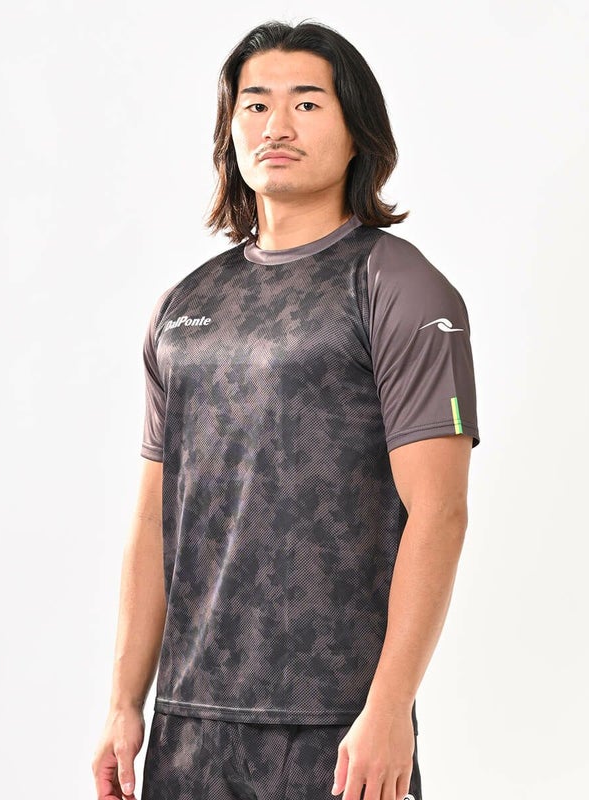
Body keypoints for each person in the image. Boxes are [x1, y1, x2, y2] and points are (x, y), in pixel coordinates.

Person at [92, 18, 480, 800]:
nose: (276, 126)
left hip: (336, 724)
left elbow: (438, 513)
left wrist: (388, 709)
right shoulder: (185, 305)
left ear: (356, 130)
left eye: (306, 104)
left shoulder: (399, 286)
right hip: (190, 724)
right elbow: (153, 519)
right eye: (255, 104)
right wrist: (125, 703)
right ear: (230, 130)